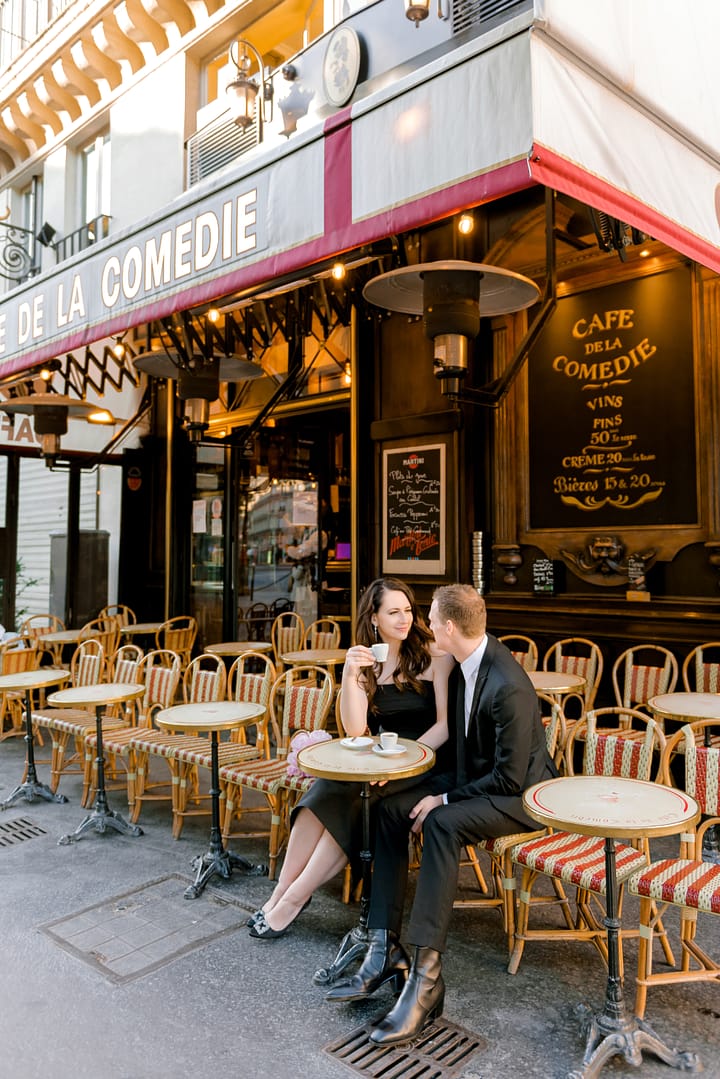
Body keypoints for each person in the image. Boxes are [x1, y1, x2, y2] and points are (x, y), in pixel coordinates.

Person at [325, 583, 558, 1045]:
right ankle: (383, 944)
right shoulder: (466, 661)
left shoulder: (506, 684)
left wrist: (443, 800)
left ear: (449, 627)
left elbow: (510, 780)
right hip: (476, 776)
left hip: (522, 797)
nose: (423, 623)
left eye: (428, 616)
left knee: (440, 822)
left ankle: (426, 978)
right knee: (391, 810)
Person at [247, 576, 453, 940]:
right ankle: (281, 891)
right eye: (393, 612)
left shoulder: (435, 656)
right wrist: (349, 672)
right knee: (324, 791)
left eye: (407, 610)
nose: (404, 619)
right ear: (374, 618)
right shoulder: (368, 662)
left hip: (424, 762)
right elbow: (356, 731)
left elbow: (444, 726)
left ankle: (295, 898)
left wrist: (405, 762)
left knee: (358, 806)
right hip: (378, 761)